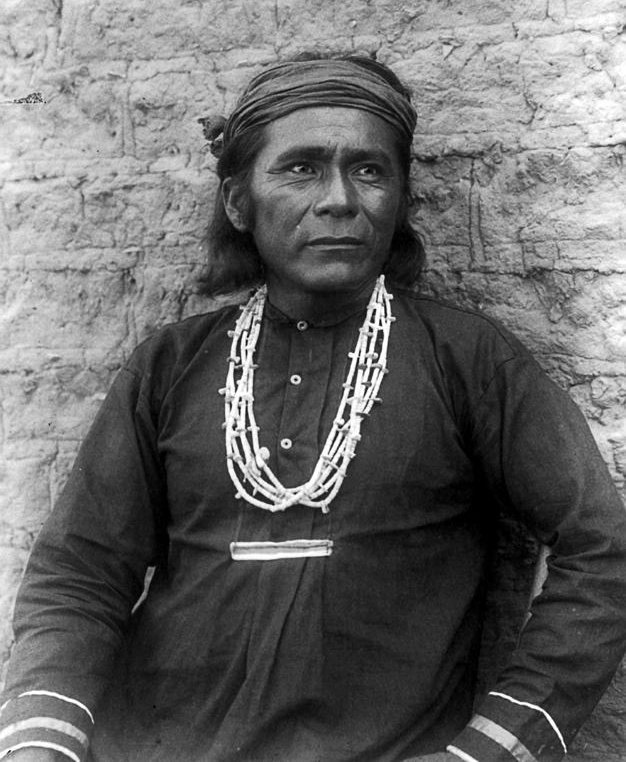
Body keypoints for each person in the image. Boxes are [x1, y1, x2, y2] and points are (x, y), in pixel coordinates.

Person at [1, 56, 625, 762]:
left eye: (369, 170)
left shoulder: (467, 360)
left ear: (399, 199)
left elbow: (603, 547)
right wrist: (40, 744)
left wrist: (496, 746)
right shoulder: (170, 366)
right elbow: (78, 574)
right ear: (239, 202)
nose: (339, 200)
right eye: (300, 169)